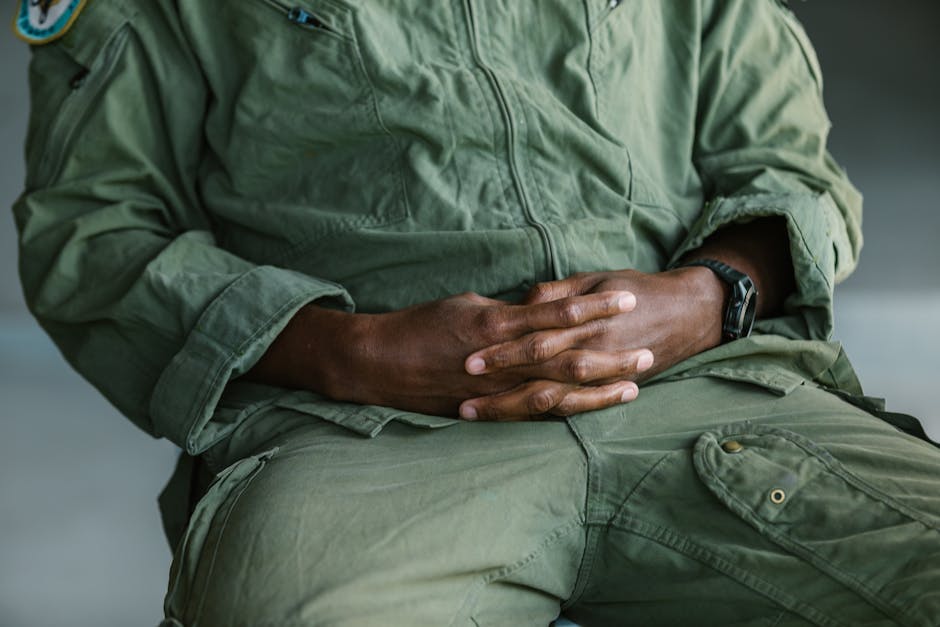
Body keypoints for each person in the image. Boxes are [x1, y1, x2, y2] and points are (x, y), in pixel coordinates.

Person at [13, 0, 940, 625]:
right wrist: (349, 351)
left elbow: (788, 166)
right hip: (359, 435)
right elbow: (93, 228)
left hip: (705, 390)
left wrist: (706, 298)